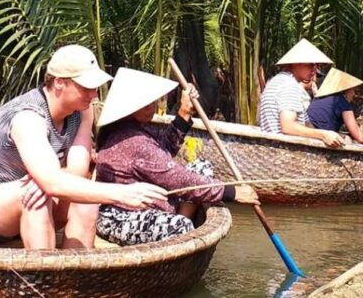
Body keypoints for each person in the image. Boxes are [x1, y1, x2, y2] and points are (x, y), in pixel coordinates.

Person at [0, 45, 168, 250]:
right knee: (35, 195)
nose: (94, 95)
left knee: (84, 200)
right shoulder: (28, 117)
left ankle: (74, 277)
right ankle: (44, 279)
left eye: (94, 88)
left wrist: (49, 181)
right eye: (86, 88)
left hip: (40, 195)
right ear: (59, 83)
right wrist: (122, 194)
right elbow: (52, 183)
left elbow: (75, 172)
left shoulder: (83, 111)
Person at [95, 68, 260, 246]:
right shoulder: (131, 140)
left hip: (149, 203)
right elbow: (181, 181)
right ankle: (179, 229)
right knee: (180, 227)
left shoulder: (135, 130)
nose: (152, 104)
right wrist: (232, 192)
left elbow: (162, 152)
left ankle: (181, 217)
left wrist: (185, 112)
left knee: (202, 166)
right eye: (146, 102)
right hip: (120, 216)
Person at [257, 38, 344, 147]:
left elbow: (307, 124)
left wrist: (328, 134)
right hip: (283, 152)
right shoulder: (289, 85)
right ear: (295, 64)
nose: (314, 69)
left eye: (317, 65)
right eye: (311, 65)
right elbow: (288, 127)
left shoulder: (279, 81)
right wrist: (323, 134)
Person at [307, 68, 363, 147]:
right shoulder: (342, 103)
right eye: (353, 91)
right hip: (319, 136)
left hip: (308, 131)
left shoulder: (318, 99)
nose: (354, 94)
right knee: (347, 140)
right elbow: (359, 136)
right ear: (345, 91)